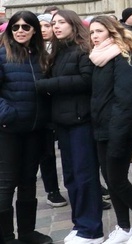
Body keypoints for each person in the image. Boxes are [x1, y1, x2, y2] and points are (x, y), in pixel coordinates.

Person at [35, 10, 103, 244]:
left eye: (61, 22)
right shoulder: (58, 52)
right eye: (53, 23)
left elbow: (86, 80)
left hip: (81, 121)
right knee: (72, 178)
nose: (56, 26)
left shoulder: (83, 49)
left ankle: (92, 230)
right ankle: (80, 224)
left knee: (85, 177)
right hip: (63, 123)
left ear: (73, 25)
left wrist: (48, 84)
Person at [89, 15, 132, 244]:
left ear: (111, 31)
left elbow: (125, 100)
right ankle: (124, 226)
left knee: (118, 180)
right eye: (92, 32)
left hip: (123, 128)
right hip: (102, 127)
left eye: (99, 31)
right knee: (110, 179)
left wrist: (117, 136)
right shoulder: (98, 59)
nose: (94, 36)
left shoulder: (124, 57)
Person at [0, 11, 53, 244]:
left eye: (26, 27)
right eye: (15, 27)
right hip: (8, 131)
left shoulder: (41, 56)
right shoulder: (2, 55)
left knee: (28, 181)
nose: (20, 31)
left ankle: (27, 232)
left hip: (35, 130)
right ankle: (5, 236)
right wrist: (7, 114)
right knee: (6, 184)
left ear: (34, 30)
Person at [36, 13, 69, 209]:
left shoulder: (62, 49)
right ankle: (52, 190)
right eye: (40, 26)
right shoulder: (32, 51)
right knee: (46, 153)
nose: (44, 29)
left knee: (70, 150)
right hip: (43, 109)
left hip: (62, 106)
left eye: (47, 25)